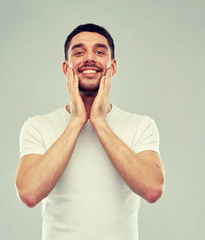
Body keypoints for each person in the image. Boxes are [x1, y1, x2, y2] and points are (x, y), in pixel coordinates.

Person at [15, 23, 165, 240]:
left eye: (99, 52)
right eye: (79, 52)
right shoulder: (38, 126)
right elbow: (28, 193)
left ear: (112, 67)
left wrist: (98, 121)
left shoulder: (141, 125)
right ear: (66, 68)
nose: (89, 58)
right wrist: (77, 121)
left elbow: (152, 189)